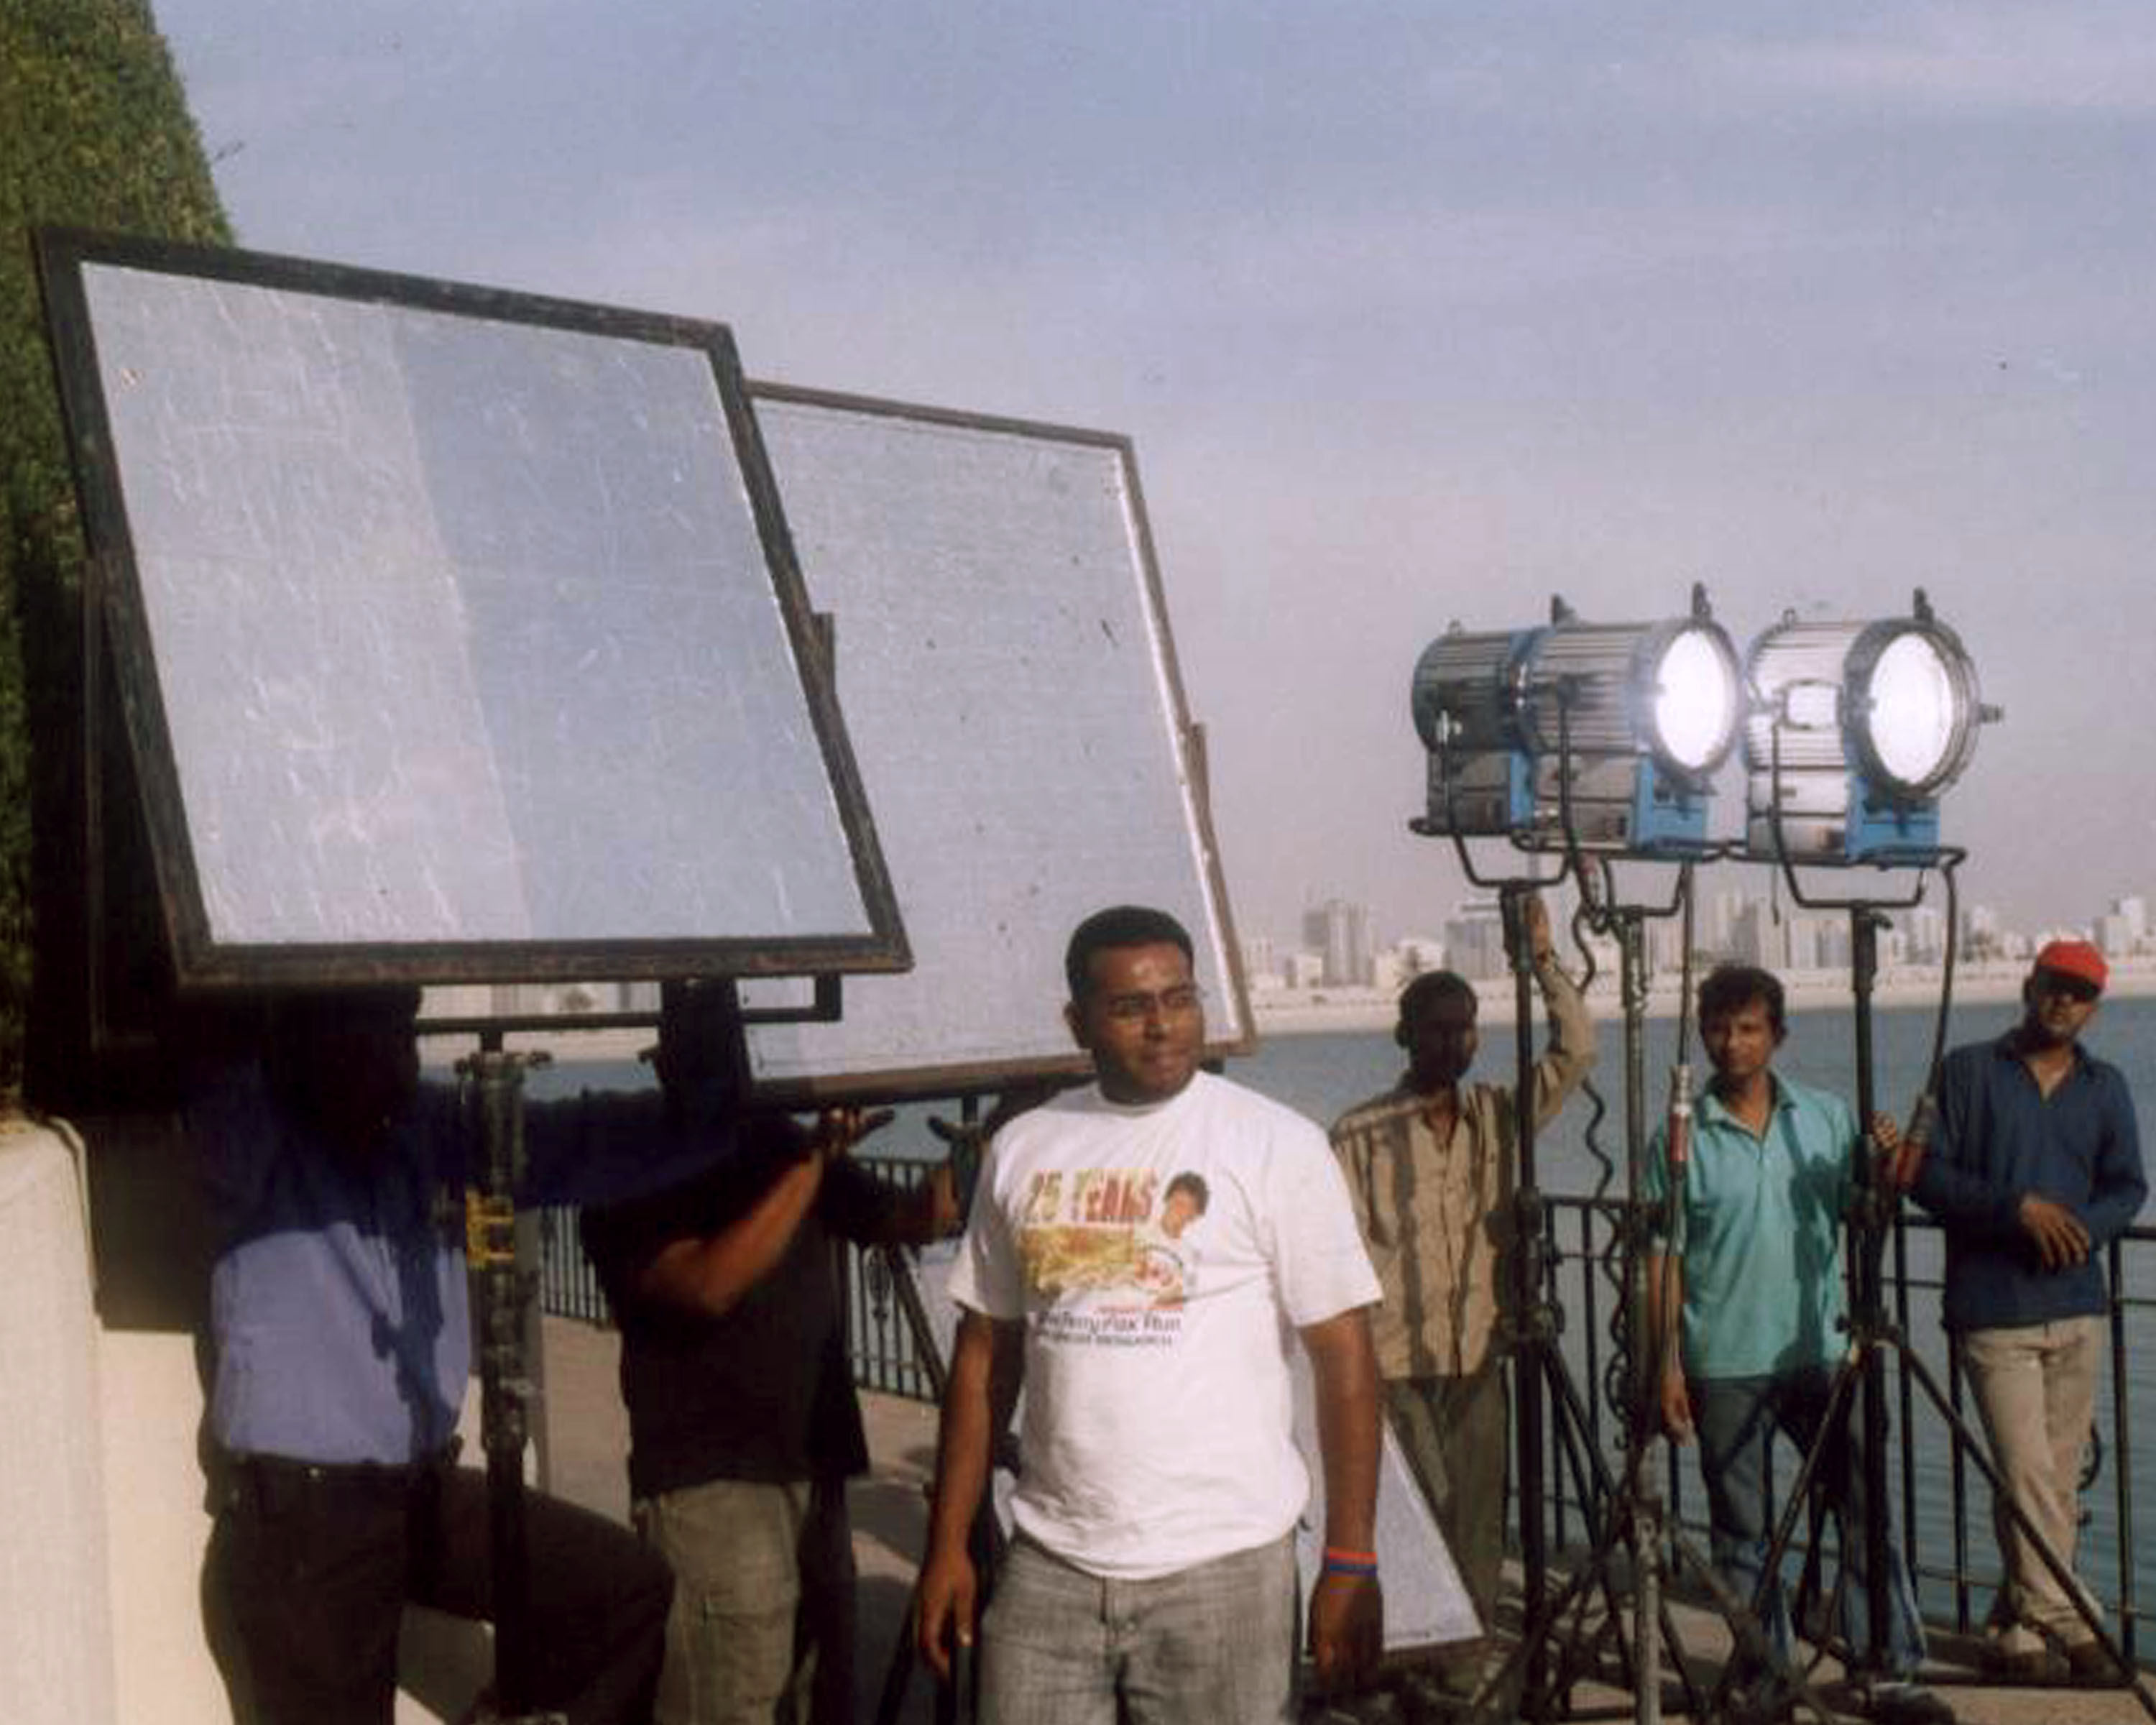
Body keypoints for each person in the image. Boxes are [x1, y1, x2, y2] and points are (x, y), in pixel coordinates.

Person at [915, 904, 1385, 1722]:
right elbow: (985, 1353)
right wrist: (949, 1544)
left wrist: (1350, 1558)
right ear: (1079, 1023)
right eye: (1131, 1007)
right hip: (1051, 1562)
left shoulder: (1275, 1144)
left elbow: (1345, 1356)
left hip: (1226, 1569)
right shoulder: (1025, 1146)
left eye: (1180, 998)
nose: (1163, 1025)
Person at [197, 986, 673, 1725]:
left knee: (626, 1591)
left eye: (405, 1037)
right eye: (371, 1038)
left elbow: (584, 1141)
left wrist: (723, 1109)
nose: (400, 1062)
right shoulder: (255, 1128)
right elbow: (218, 1052)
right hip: (302, 1528)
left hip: (418, 1492)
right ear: (308, 1045)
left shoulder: (428, 1126)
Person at [579, 984, 959, 1725]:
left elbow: (909, 1220)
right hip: (710, 1486)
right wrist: (812, 1165)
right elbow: (708, 1286)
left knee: (826, 1694)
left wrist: (984, 1146)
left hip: (815, 1467)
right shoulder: (631, 1166)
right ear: (665, 1063)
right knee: (731, 1699)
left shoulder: (779, 1143)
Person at [1643, 965, 1949, 1725]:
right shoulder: (1680, 1136)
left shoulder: (1824, 1116)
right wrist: (1667, 1363)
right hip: (1723, 1359)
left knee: (1863, 1507)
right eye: (1719, 1029)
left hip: (1821, 1349)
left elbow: (1862, 1210)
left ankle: (1887, 1667)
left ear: (1777, 1035)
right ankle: (1767, 1677)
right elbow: (1663, 1257)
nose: (1732, 1043)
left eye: (1749, 1028)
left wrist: (1885, 1169)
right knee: (1742, 1533)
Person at [1326, 891, 1594, 1689]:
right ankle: (1407, 1658)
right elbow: (1339, 1251)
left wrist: (1541, 961)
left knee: (1478, 1516)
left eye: (1466, 1027)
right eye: (1437, 1028)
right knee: (1419, 1514)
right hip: (1396, 1359)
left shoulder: (1497, 1115)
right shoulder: (1360, 1133)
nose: (1454, 1041)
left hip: (1479, 1350)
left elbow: (1577, 1051)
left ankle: (1463, 1664)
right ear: (1405, 1036)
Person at [1904, 939, 2145, 1685]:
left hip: (2077, 1306)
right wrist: (2017, 1210)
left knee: (2052, 1485)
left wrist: (2080, 1230)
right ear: (2029, 984)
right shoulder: (1967, 1071)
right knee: (2028, 1472)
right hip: (1994, 1308)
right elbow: (1923, 1174)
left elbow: (2128, 1187)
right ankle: (2073, 1620)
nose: (2064, 1001)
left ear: (2094, 1006)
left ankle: (2014, 1628)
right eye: (2054, 985)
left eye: (2080, 992)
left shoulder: (2106, 1087)